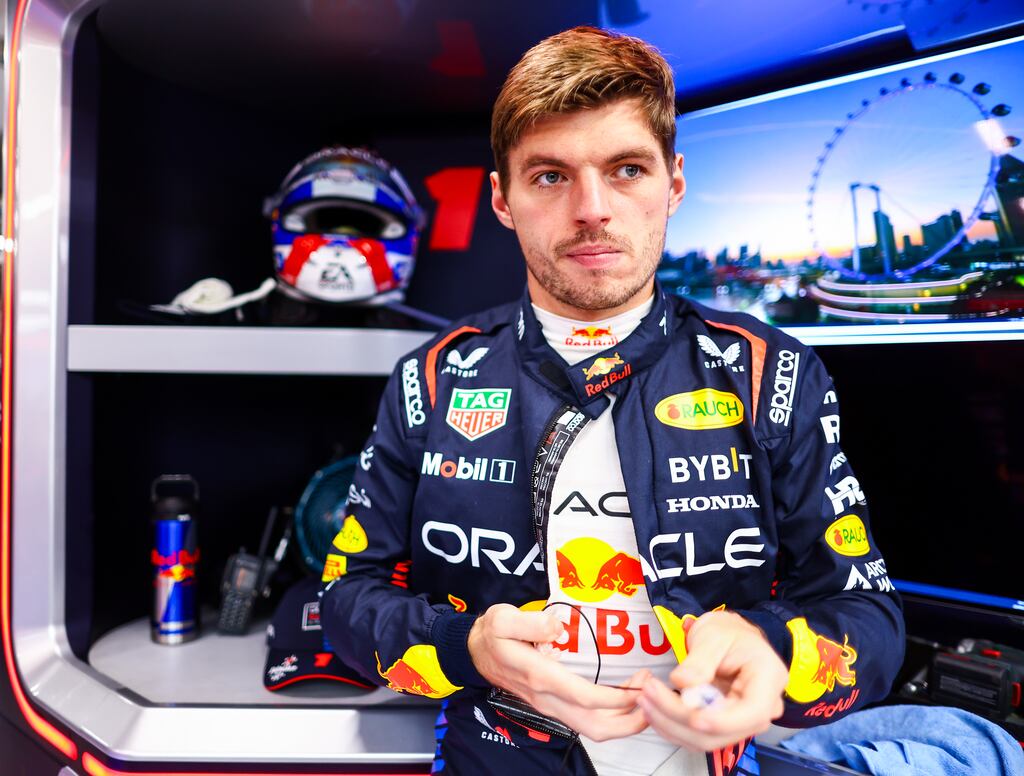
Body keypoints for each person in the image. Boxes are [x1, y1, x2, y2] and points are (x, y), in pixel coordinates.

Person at [320, 26, 904, 776]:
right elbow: (346, 599)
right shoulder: (432, 378)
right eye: (550, 176)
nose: (592, 208)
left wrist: (774, 649)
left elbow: (869, 615)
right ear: (502, 198)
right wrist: (463, 646)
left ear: (674, 183)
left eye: (627, 169)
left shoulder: (771, 371)